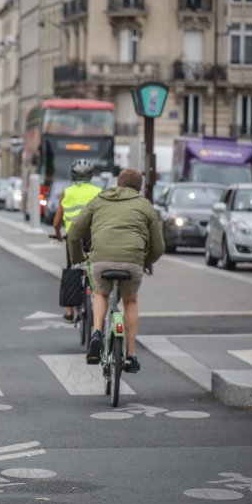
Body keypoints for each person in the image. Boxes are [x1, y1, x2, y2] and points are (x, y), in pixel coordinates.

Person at [68, 168, 164, 373]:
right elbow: (159, 247)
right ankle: (131, 356)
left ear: (117, 183)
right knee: (130, 301)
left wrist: (78, 258)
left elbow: (74, 233)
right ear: (139, 188)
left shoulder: (99, 200)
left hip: (101, 260)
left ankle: (96, 333)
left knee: (101, 293)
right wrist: (144, 262)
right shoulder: (144, 206)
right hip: (133, 261)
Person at [53, 159, 102, 321]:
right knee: (95, 268)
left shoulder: (67, 193)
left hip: (73, 238)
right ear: (91, 175)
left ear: (72, 176)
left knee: (72, 269)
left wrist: (58, 235)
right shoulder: (99, 192)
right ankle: (98, 299)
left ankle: (69, 312)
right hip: (94, 236)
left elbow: (56, 222)